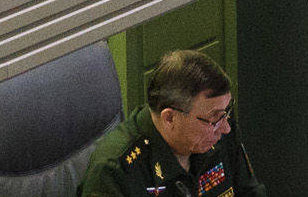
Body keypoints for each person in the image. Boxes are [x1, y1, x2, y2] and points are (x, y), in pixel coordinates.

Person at [80, 50, 264, 197]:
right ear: (169, 118)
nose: (226, 127)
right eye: (214, 118)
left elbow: (250, 191)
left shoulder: (220, 128)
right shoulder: (116, 172)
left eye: (226, 112)